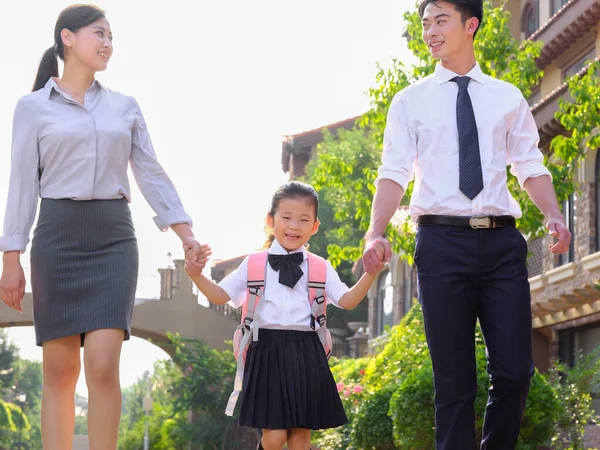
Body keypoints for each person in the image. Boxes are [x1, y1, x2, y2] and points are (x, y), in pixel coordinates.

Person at [361, 1, 571, 449]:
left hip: (501, 245)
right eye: (425, 24)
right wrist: (375, 231)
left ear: (470, 25)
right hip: (440, 244)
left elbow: (529, 164)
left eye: (441, 21)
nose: (430, 32)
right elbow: (394, 172)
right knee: (454, 385)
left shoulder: (506, 96)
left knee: (515, 371)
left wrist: (554, 214)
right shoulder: (409, 101)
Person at [0, 5, 201, 449]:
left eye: (111, 36)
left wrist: (186, 233)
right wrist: (10, 257)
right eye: (99, 33)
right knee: (59, 370)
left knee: (105, 364)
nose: (108, 43)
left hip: (113, 238)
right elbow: (20, 183)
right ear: (68, 38)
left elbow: (150, 172)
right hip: (56, 238)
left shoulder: (124, 107)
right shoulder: (32, 108)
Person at [184, 181, 381, 450]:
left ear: (314, 226)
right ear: (270, 220)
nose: (294, 226)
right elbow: (220, 295)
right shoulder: (253, 263)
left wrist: (371, 273)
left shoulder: (320, 267)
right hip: (266, 351)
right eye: (286, 217)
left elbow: (347, 300)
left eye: (303, 219)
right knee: (274, 438)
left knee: (300, 438)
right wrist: (195, 275)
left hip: (307, 351)